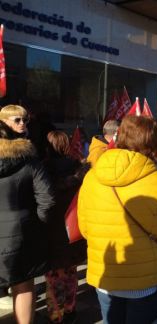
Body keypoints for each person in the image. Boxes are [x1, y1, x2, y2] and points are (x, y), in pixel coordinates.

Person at [78, 115, 157, 323]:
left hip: (105, 274)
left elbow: (85, 228)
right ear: (154, 142)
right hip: (146, 280)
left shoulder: (92, 176)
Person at [0, 118, 55, 324]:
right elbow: (47, 200)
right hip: (22, 233)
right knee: (23, 285)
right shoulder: (29, 162)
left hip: (20, 233)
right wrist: (36, 224)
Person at [43, 131, 89, 324]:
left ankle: (55, 314)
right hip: (74, 228)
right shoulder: (79, 170)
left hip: (51, 230)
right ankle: (70, 309)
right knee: (71, 272)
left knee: (53, 276)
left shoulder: (43, 171)